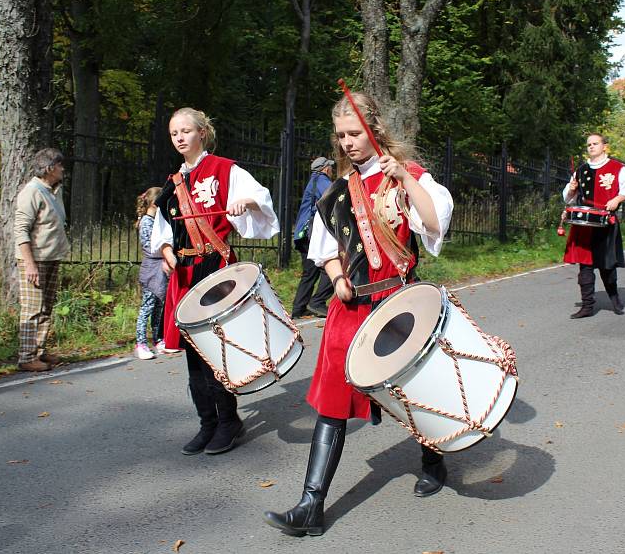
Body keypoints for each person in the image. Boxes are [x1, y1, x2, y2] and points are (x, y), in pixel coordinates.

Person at [263, 91, 453, 536]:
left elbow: (435, 224)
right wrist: (338, 276)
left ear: (375, 131)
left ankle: (433, 459)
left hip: (399, 303)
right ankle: (311, 505)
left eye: (356, 133)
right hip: (350, 309)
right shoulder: (336, 193)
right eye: (342, 135)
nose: (348, 142)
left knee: (411, 390)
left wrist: (405, 177)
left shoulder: (408, 177)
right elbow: (324, 251)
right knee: (332, 402)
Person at [151, 107, 279, 455]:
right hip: (184, 275)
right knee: (193, 354)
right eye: (174, 132)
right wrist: (166, 251)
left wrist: (245, 201)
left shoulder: (225, 169)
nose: (179, 137)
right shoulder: (172, 183)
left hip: (215, 269)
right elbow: (162, 231)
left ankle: (228, 422)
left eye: (186, 131)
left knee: (216, 351)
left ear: (201, 133)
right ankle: (207, 422)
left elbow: (263, 202)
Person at [563, 133, 625, 318]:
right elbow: (569, 197)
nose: (591, 147)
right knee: (585, 267)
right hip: (584, 225)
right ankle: (587, 305)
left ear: (604, 146)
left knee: (607, 267)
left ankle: (614, 297)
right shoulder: (581, 170)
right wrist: (572, 189)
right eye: (589, 144)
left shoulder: (617, 168)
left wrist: (618, 198)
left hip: (605, 223)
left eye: (595, 143)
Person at [14, 148, 70, 372]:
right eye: (60, 165)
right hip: (35, 260)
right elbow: (21, 230)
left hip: (51, 257)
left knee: (46, 307)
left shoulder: (54, 190)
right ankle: (26, 357)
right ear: (49, 168)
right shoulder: (32, 192)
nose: (63, 168)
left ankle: (39, 351)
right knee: (32, 308)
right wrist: (29, 264)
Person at [290, 157, 335, 318]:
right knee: (330, 265)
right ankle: (317, 302)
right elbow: (334, 195)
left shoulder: (312, 181)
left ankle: (298, 308)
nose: (332, 170)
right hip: (311, 234)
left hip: (302, 234)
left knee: (310, 272)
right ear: (325, 169)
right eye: (330, 168)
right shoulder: (321, 179)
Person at [134, 187, 169, 360]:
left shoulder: (157, 221)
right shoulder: (146, 222)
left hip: (160, 268)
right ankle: (141, 343)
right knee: (147, 306)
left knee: (158, 307)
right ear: (156, 203)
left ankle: (158, 339)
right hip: (152, 269)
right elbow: (150, 247)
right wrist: (166, 252)